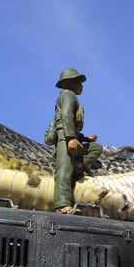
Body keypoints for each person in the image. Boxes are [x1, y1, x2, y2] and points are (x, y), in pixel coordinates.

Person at [44, 68, 102, 213]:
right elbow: (66, 116)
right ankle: (61, 204)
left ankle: (77, 166)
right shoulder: (68, 95)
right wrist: (70, 139)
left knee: (96, 148)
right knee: (63, 169)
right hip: (65, 139)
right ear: (69, 82)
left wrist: (84, 138)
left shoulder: (70, 96)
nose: (81, 85)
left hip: (72, 138)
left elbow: (72, 124)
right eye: (78, 81)